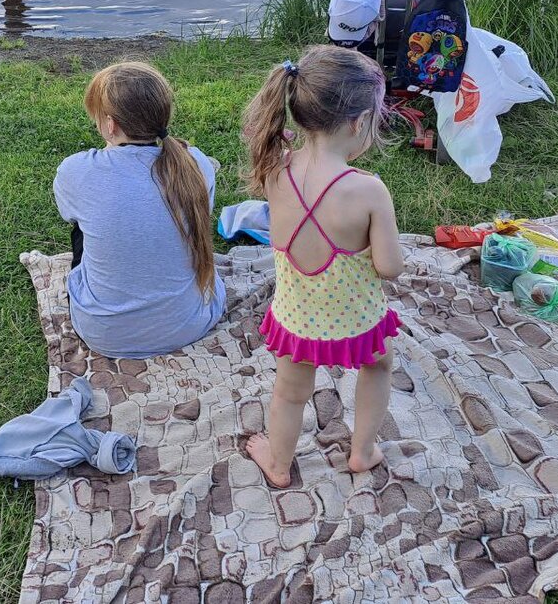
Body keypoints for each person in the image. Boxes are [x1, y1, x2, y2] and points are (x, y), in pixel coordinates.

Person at [241, 46, 404, 488]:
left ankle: (277, 464)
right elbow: (390, 266)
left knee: (290, 394)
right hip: (357, 319)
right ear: (356, 123)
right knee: (379, 367)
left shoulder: (275, 169)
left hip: (297, 318)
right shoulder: (368, 190)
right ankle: (363, 452)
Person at [54, 62, 225, 360]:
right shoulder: (196, 164)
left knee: (82, 229)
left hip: (104, 334)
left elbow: (70, 215)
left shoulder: (77, 171)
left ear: (109, 124)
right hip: (189, 325)